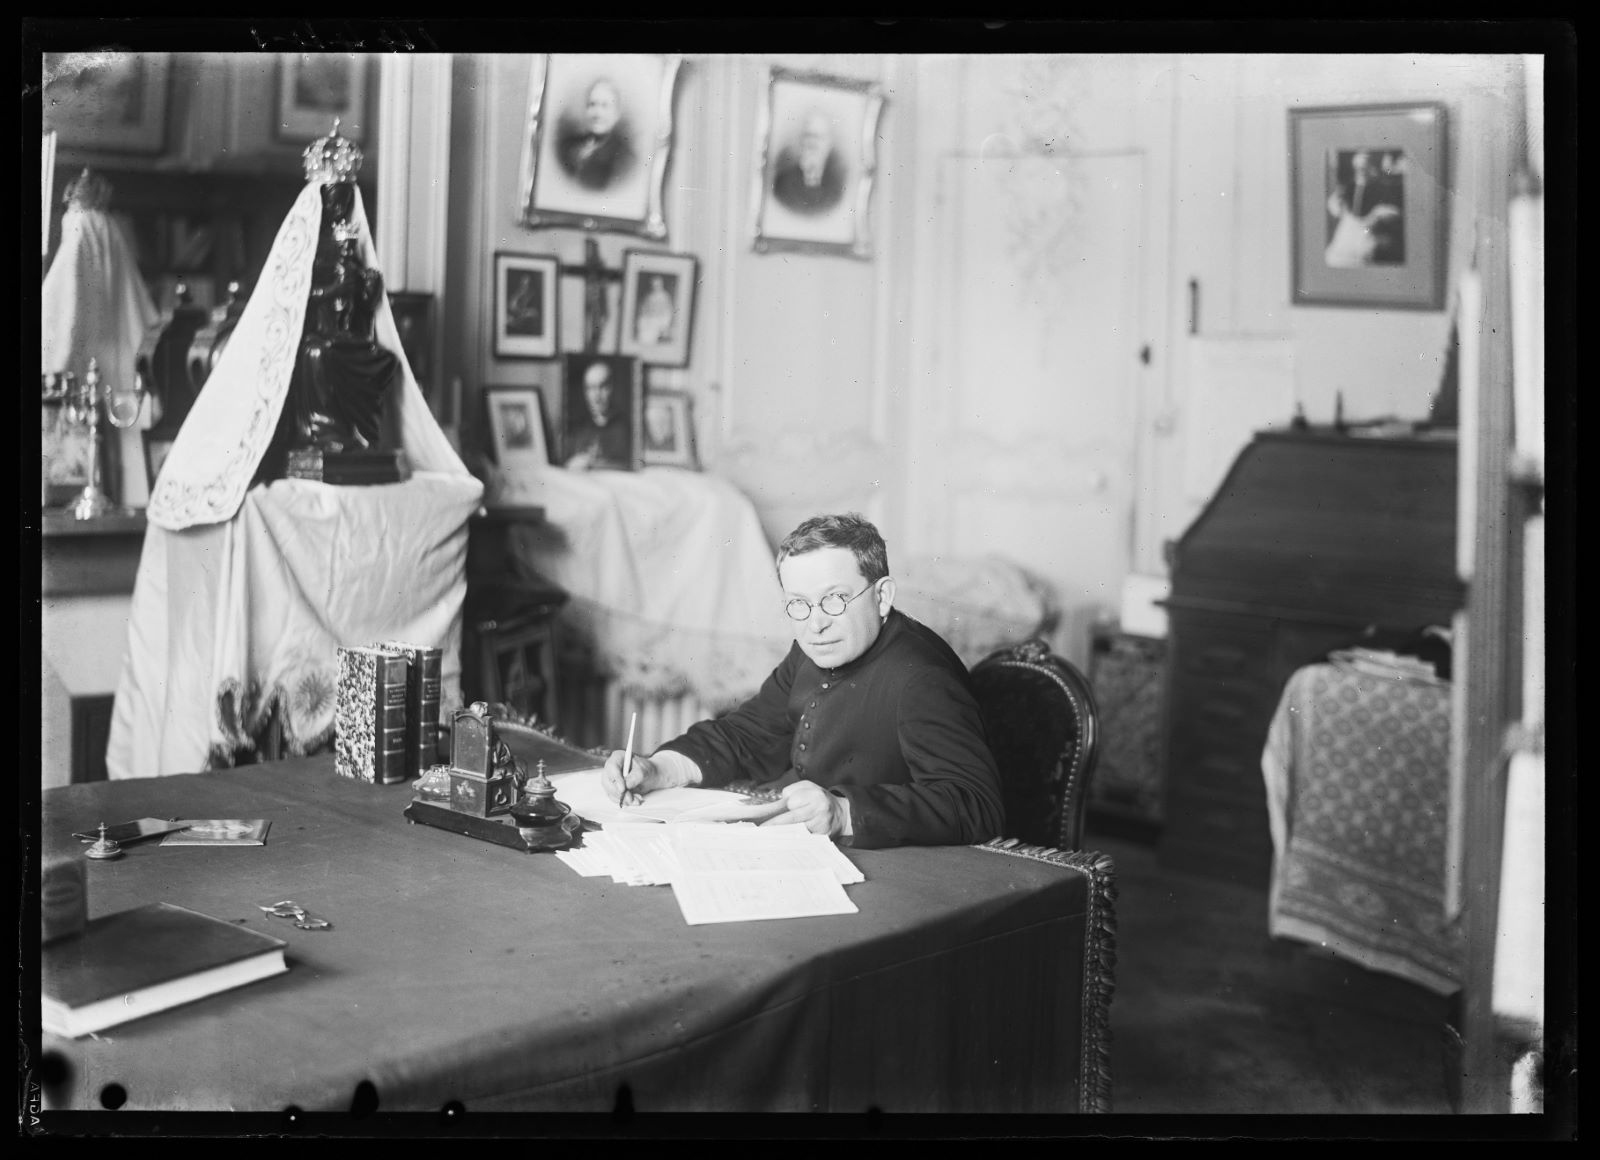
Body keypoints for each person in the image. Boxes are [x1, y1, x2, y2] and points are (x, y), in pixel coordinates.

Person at [600, 513, 1006, 848]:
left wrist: (843, 813)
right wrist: (659, 768)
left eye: (835, 599)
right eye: (799, 604)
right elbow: (749, 734)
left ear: (882, 596)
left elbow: (977, 806)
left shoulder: (922, 677)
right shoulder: (816, 647)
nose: (815, 624)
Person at [1323, 149, 1404, 268]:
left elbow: (1395, 212)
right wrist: (1335, 205)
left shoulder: (1384, 188)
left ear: (1373, 168)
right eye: (1359, 169)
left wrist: (1378, 216)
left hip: (1370, 240)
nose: (1362, 173)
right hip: (1347, 238)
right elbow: (1336, 207)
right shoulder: (1348, 188)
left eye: (1366, 168)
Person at [556, 78, 631, 191]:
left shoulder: (624, 159)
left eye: (605, 106)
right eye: (592, 104)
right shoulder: (568, 147)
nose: (597, 113)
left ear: (616, 114)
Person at [771, 111, 846, 216]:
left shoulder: (836, 190)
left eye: (820, 137)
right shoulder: (782, 185)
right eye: (808, 135)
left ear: (829, 144)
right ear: (800, 141)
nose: (813, 143)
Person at [563, 360, 632, 469]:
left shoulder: (625, 428)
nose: (596, 395)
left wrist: (592, 464)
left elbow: (630, 467)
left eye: (602, 386)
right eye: (591, 388)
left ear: (612, 388)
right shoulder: (577, 429)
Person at [634, 275, 675, 345]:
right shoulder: (649, 295)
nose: (655, 286)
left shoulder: (665, 296)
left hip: (659, 321)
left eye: (657, 285)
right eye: (653, 285)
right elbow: (643, 308)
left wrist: (664, 324)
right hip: (648, 320)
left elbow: (668, 311)